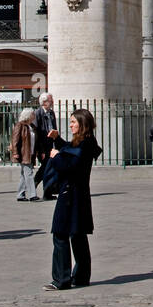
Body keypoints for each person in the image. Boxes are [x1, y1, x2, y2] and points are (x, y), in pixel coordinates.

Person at [43, 108, 100, 290]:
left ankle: (61, 278)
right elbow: (70, 148)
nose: (71, 125)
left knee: (60, 234)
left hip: (70, 194)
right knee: (78, 234)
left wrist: (56, 156)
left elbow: (71, 165)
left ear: (82, 124)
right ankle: (81, 276)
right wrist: (58, 140)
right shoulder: (86, 142)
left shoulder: (85, 144)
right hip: (79, 194)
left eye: (73, 122)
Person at [32, 93, 60, 200]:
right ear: (44, 102)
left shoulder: (51, 113)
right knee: (46, 168)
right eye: (50, 100)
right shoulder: (38, 113)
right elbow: (36, 133)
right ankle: (37, 186)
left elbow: (54, 128)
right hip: (43, 146)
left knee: (48, 168)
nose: (52, 101)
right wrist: (40, 150)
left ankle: (45, 191)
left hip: (51, 145)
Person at [10, 107, 38, 201]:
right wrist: (15, 152)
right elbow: (15, 139)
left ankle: (20, 194)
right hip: (24, 153)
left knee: (24, 174)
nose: (34, 116)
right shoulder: (20, 125)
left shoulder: (32, 126)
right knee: (29, 173)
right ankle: (32, 194)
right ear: (28, 116)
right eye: (32, 114)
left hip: (31, 153)